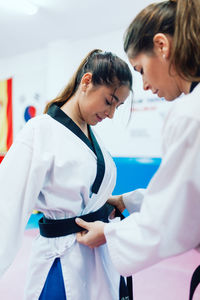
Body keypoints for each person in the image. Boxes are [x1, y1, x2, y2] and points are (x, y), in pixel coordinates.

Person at [75, 1, 200, 299]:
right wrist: (128, 201)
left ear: (162, 45)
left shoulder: (189, 113)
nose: (145, 85)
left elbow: (171, 221)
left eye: (141, 69)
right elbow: (187, 199)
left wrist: (109, 234)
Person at [0, 49, 133, 299]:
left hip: (98, 258)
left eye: (118, 106)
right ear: (86, 82)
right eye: (109, 101)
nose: (112, 113)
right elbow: (5, 204)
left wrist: (106, 201)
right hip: (61, 260)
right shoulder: (40, 131)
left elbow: (78, 191)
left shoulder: (92, 136)